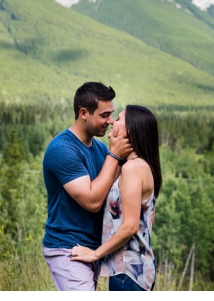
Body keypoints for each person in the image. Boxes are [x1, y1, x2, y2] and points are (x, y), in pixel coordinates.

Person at [42, 81, 132, 291]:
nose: (110, 121)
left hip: (92, 248)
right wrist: (115, 156)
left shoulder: (100, 149)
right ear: (83, 113)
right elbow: (92, 201)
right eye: (104, 115)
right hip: (68, 248)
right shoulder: (62, 149)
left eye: (112, 114)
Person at [70, 105, 161, 291]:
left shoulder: (133, 169)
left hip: (129, 272)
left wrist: (95, 254)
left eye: (118, 119)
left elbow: (130, 226)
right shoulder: (136, 166)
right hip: (135, 271)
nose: (112, 121)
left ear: (131, 130)